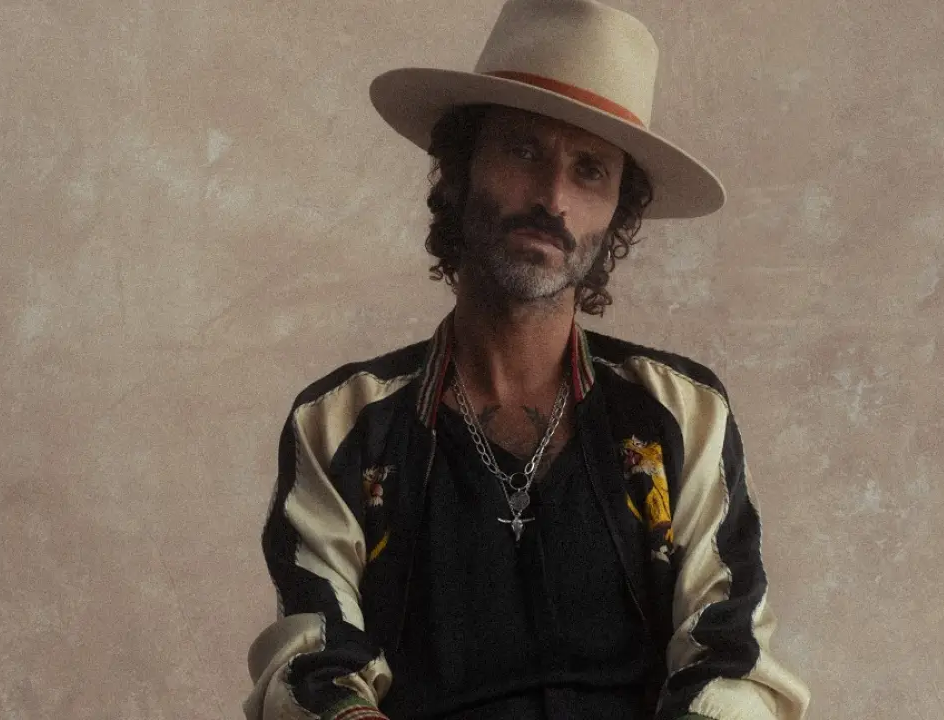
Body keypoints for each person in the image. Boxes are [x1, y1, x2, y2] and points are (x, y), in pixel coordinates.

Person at [242, 1, 810, 719]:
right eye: (523, 151)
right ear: (458, 171)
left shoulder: (681, 412)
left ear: (617, 214)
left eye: (590, 171)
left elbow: (731, 659)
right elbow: (312, 667)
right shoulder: (343, 424)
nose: (553, 199)